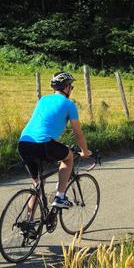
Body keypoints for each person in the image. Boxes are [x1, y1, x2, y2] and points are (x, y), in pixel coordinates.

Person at [18, 71, 91, 210]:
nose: (71, 89)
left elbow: (45, 123)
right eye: (71, 86)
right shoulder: (69, 105)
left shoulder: (43, 100)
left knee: (37, 184)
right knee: (68, 158)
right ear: (66, 87)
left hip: (23, 143)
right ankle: (60, 196)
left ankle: (28, 224)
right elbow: (78, 134)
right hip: (43, 144)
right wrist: (85, 151)